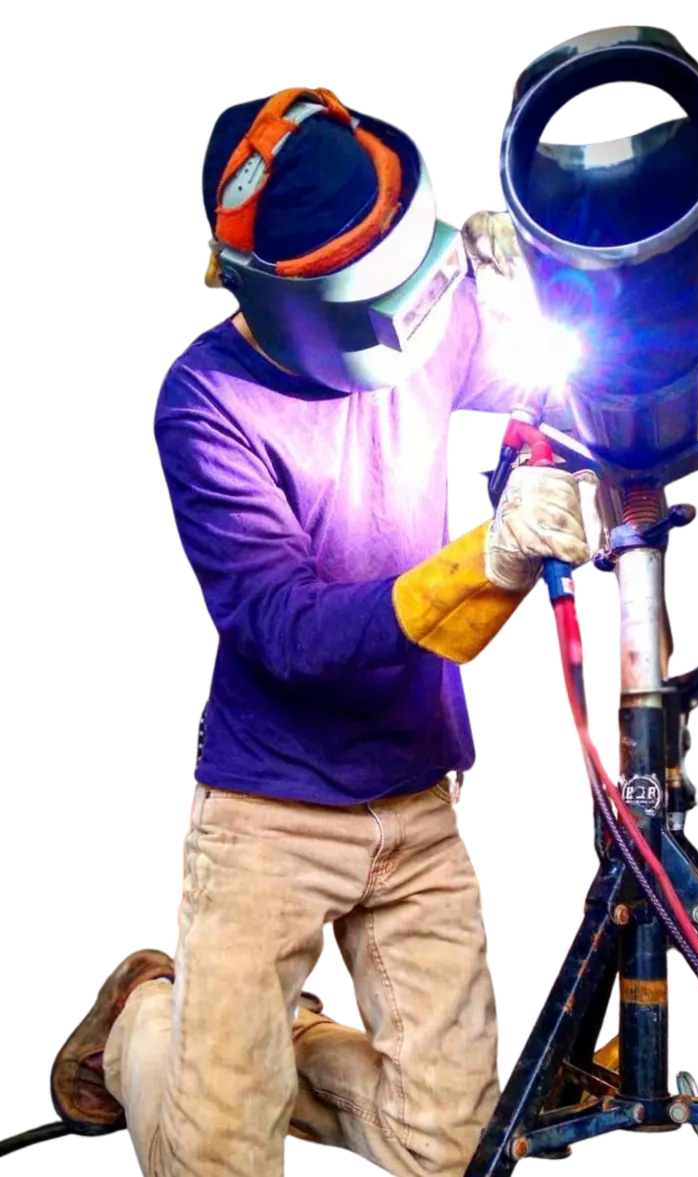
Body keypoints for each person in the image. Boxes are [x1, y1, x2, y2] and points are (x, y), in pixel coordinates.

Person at [50, 85, 590, 1177]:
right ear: (277, 291)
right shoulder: (203, 399)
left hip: (417, 792)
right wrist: (486, 557)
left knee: (440, 1150)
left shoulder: (429, 314)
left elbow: (565, 369)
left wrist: (556, 266)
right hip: (269, 810)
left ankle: (258, 1044)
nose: (405, 322)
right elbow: (286, 627)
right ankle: (151, 1022)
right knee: (216, 1160)